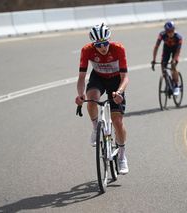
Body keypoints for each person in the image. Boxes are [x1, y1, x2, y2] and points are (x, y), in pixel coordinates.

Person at [75, 23, 129, 175]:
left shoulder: (118, 48)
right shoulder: (86, 51)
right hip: (98, 77)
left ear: (109, 40)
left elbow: (125, 77)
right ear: (94, 44)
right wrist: (80, 95)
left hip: (116, 81)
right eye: (98, 45)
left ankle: (122, 155)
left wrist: (119, 92)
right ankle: (95, 128)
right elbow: (81, 78)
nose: (102, 47)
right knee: (91, 100)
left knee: (117, 120)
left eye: (105, 43)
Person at [151, 21, 183, 96]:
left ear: (174, 29)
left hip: (175, 50)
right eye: (168, 31)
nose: (170, 33)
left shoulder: (178, 37)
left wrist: (174, 60)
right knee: (163, 67)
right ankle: (168, 83)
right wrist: (154, 59)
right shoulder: (162, 35)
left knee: (173, 66)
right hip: (167, 50)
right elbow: (156, 47)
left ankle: (176, 85)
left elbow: (178, 51)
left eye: (171, 31)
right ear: (165, 31)